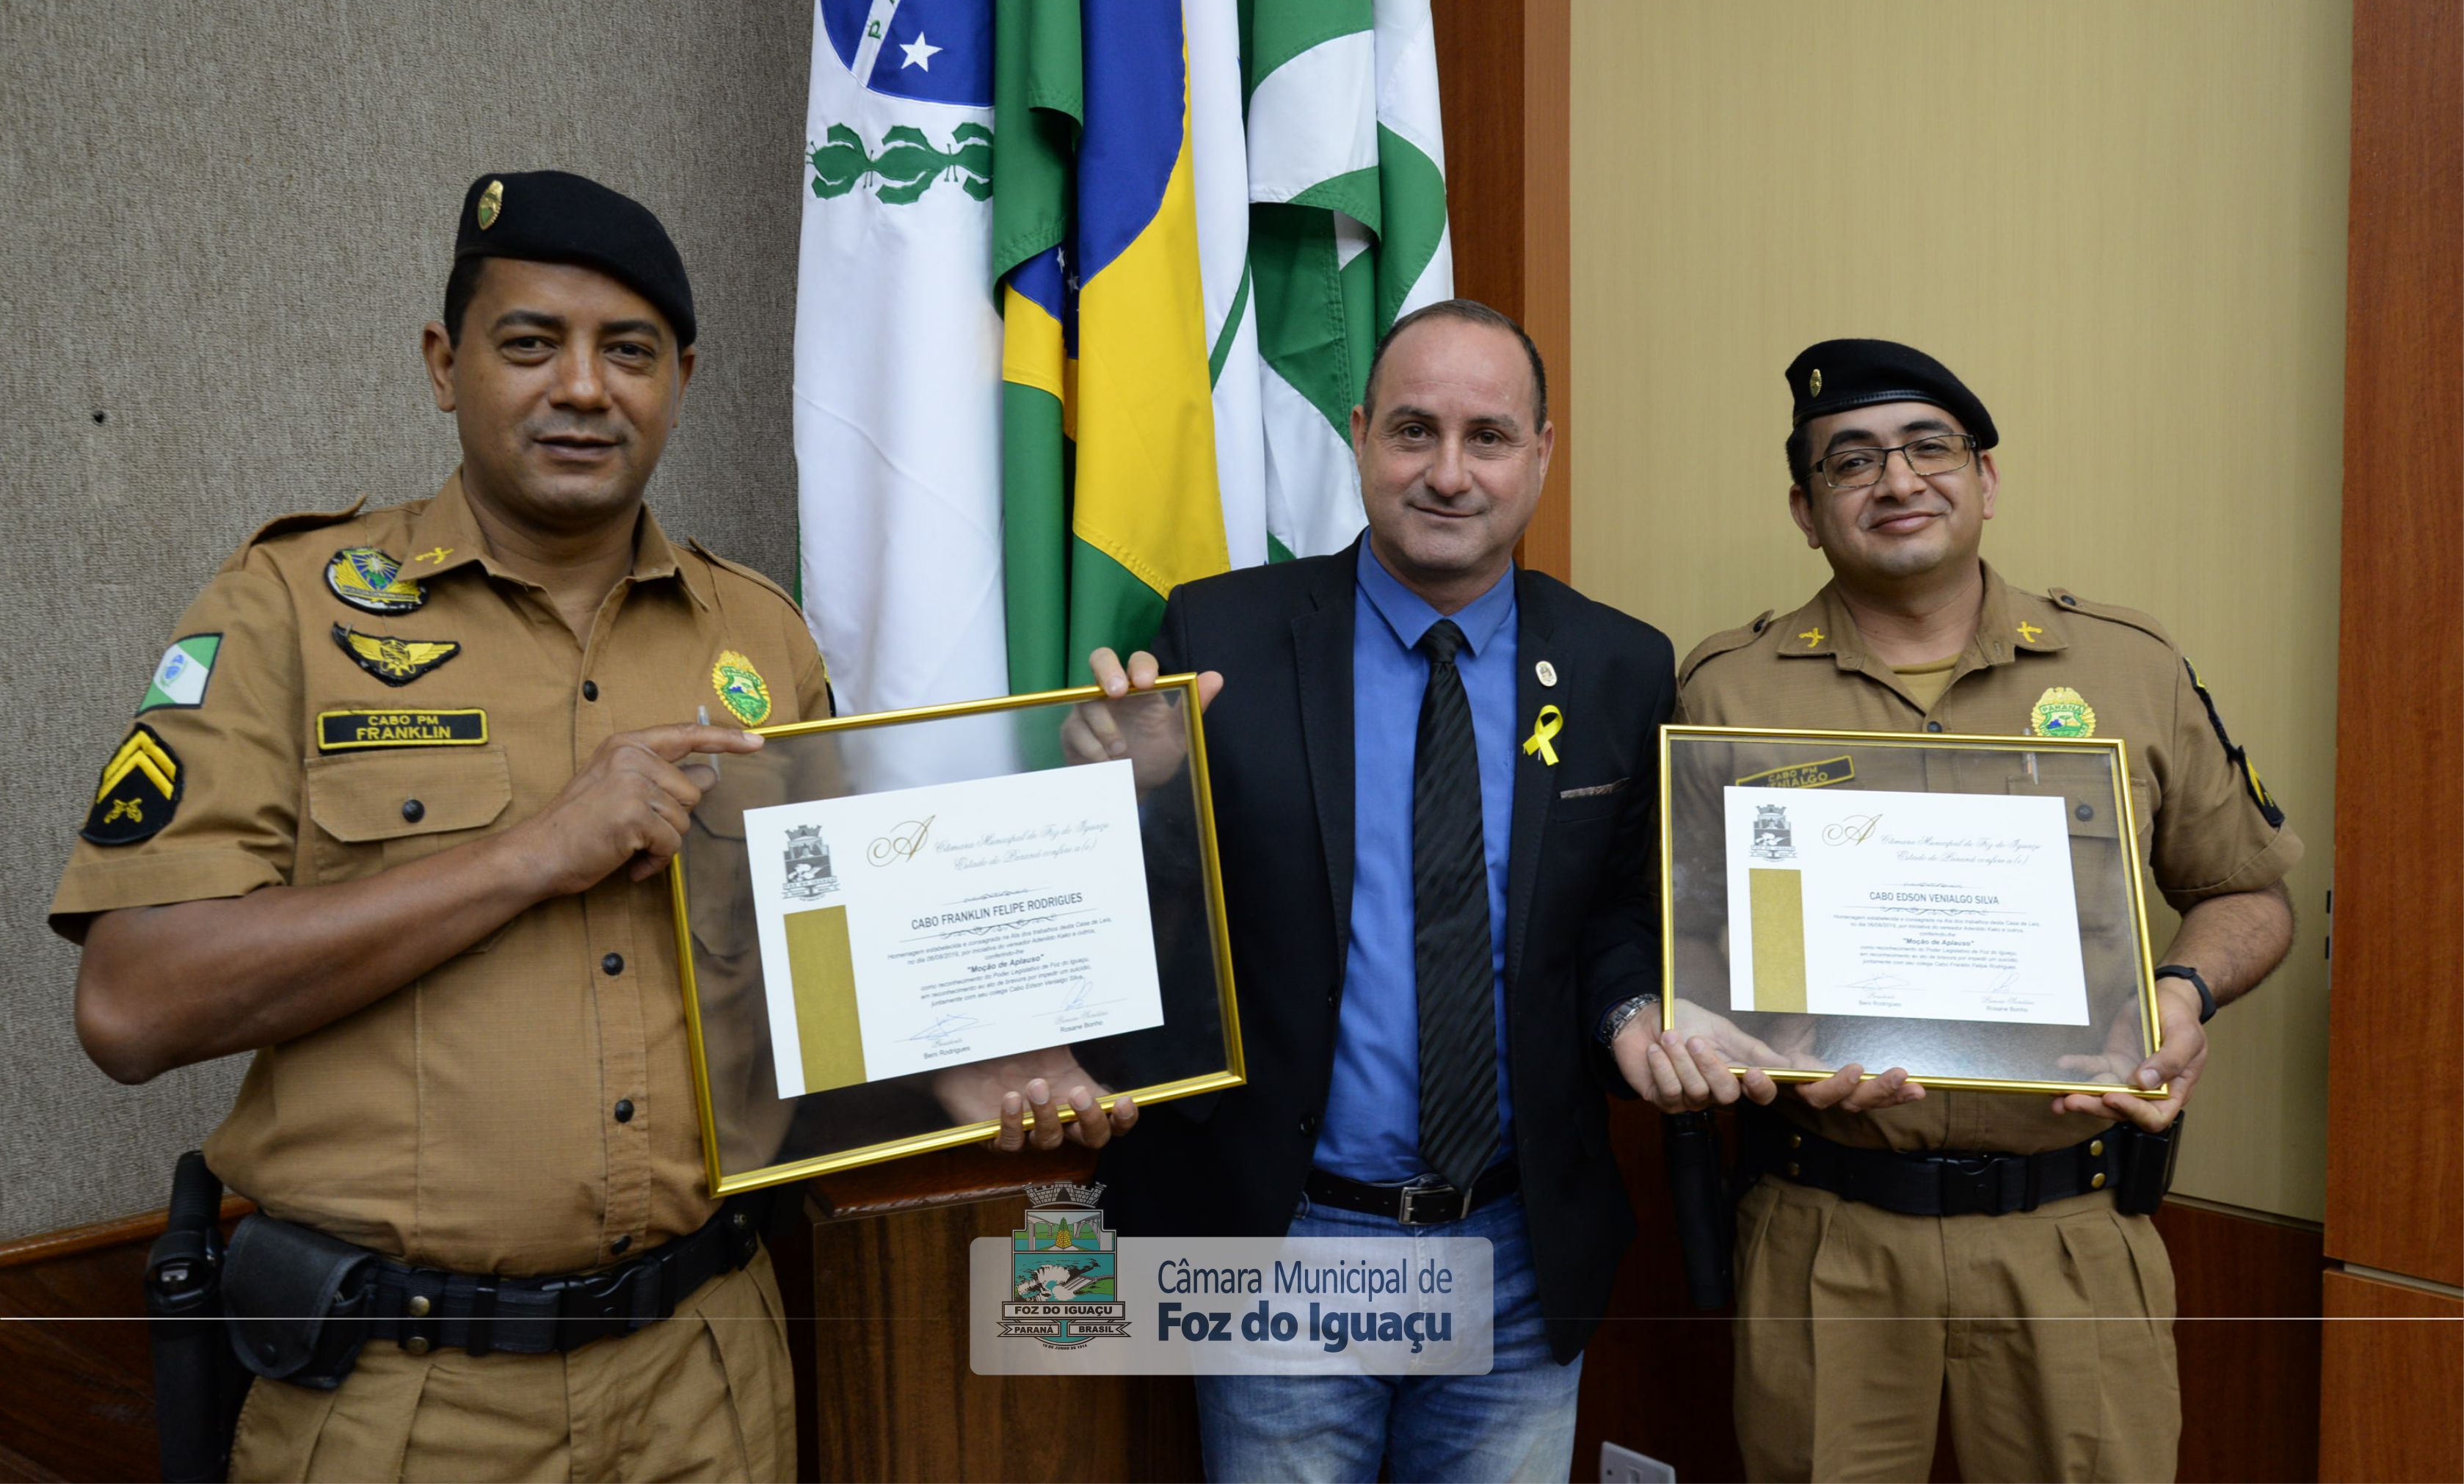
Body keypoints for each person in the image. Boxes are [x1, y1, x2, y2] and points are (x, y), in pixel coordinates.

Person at [51, 170, 1127, 1483]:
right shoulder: (291, 612)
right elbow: (131, 1004)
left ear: (680, 374)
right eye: (530, 343)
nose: (581, 387)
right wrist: (531, 853)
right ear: (446, 366)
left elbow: (830, 974)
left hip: (705, 1372)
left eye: (627, 351)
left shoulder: (759, 635)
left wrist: (979, 1065)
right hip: (402, 1399)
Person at [1083, 299, 1719, 1482]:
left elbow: (1618, 913)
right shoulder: (1219, 631)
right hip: (1290, 1243)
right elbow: (1159, 921)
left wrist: (1630, 1013)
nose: (1447, 472)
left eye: (1487, 437)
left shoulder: (1617, 664)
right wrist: (1127, 801)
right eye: (1413, 431)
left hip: (1517, 1254)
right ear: (1362, 435)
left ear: (1540, 452)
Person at [1675, 338, 2300, 1483]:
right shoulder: (1726, 689)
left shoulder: (2127, 670)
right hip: (1827, 1231)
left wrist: (2183, 988)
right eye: (1850, 461)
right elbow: (1690, 948)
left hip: (2068, 1232)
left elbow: (2246, 890)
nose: (1897, 481)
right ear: (1806, 511)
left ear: (1985, 479)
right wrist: (1758, 1043)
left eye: (1928, 447)